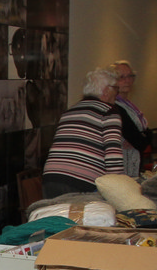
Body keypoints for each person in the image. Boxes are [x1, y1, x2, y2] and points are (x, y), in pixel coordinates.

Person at [42, 65, 126, 196]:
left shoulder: (70, 111)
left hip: (51, 178)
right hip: (81, 183)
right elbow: (113, 155)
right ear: (106, 91)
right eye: (116, 88)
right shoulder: (108, 112)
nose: (117, 93)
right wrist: (119, 188)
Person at [111, 60, 149, 175]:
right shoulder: (114, 106)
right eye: (121, 77)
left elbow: (145, 135)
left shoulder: (129, 105)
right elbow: (139, 141)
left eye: (130, 76)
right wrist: (143, 135)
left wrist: (143, 135)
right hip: (121, 164)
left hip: (133, 160)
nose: (127, 81)